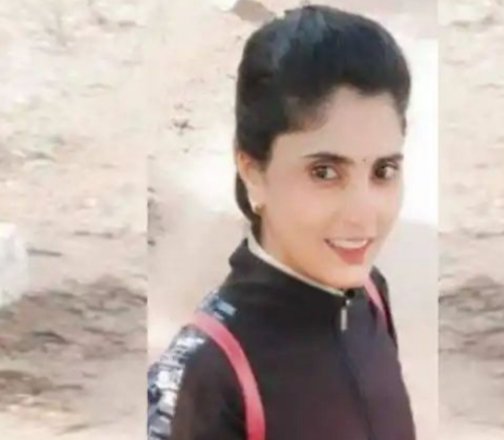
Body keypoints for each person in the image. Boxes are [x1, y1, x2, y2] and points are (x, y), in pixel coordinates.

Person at [148, 4, 415, 439]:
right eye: (324, 172)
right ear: (253, 171)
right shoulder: (207, 372)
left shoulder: (369, 293)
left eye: (383, 171)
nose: (364, 213)